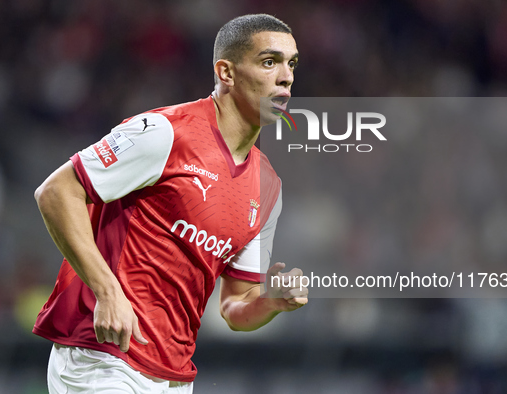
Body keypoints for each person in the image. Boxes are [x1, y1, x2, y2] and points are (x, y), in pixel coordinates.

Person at [32, 13, 308, 394]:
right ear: (226, 73)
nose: (286, 76)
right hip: (102, 356)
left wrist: (271, 303)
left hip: (172, 376)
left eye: (291, 63)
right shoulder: (165, 132)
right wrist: (108, 291)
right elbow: (56, 192)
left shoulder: (268, 188)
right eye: (269, 62)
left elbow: (235, 308)